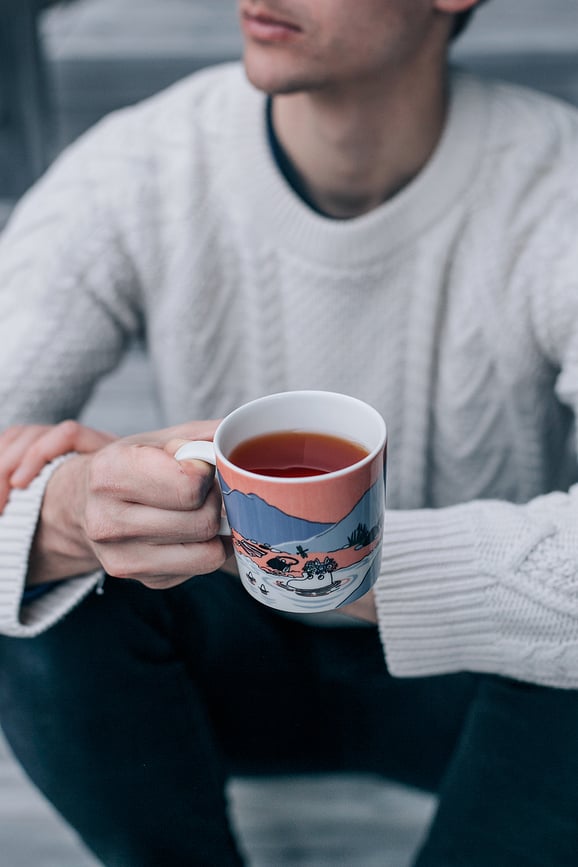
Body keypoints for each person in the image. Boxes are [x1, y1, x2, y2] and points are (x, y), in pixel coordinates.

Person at [1, 0, 578, 864]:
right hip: (221, 672)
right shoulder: (141, 163)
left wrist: (309, 555)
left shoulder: (557, 185)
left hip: (476, 691)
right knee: (32, 580)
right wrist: (75, 510)